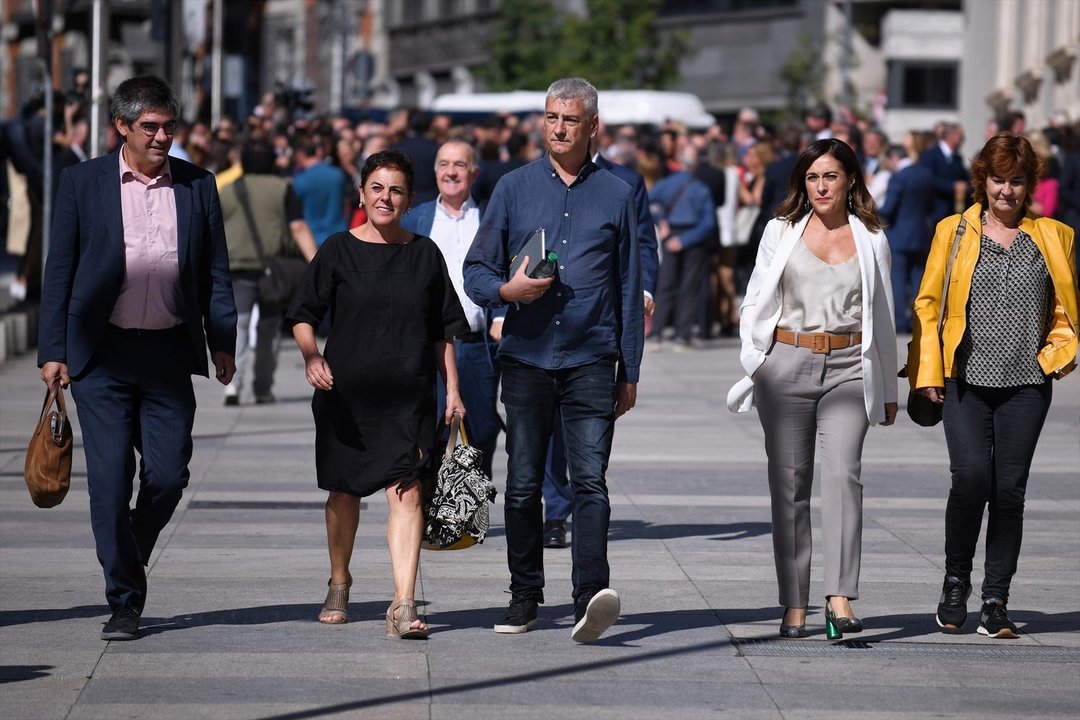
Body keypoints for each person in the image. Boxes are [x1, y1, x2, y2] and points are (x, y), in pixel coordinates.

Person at [37, 75, 238, 641]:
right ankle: (124, 599)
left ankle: (127, 546)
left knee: (169, 476)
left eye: (168, 127)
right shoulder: (83, 182)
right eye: (149, 127)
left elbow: (215, 270)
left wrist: (222, 339)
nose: (161, 137)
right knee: (107, 479)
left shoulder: (198, 184)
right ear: (121, 127)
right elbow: (61, 269)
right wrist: (53, 350)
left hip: (168, 353)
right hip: (101, 356)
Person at [464, 77, 643, 643]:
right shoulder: (513, 188)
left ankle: (591, 596)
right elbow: (476, 270)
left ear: (593, 127)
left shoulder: (618, 193)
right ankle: (524, 596)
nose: (558, 128)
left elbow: (629, 284)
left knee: (590, 481)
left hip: (592, 358)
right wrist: (506, 293)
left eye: (570, 119)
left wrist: (630, 370)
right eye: (550, 118)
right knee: (520, 485)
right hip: (526, 358)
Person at [286, 149, 469, 639]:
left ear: (409, 200)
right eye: (377, 188)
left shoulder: (424, 254)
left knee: (407, 494)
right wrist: (311, 356)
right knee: (344, 493)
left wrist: (452, 388)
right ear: (362, 193)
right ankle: (340, 581)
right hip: (346, 396)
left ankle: (404, 603)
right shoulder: (337, 250)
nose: (385, 198)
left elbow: (441, 331)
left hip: (408, 396)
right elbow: (303, 313)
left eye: (396, 191)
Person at [906, 133, 1077, 639]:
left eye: (1016, 181)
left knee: (1009, 492)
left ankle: (996, 600)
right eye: (998, 179)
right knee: (971, 480)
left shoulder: (1055, 235)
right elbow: (928, 304)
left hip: (1027, 383)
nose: (1006, 191)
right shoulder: (953, 231)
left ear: (1030, 185)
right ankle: (956, 580)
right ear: (983, 180)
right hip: (965, 380)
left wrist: (1054, 358)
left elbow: (1068, 309)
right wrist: (928, 372)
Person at [727, 138, 898, 640]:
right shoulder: (780, 231)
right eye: (812, 178)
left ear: (850, 181)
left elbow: (883, 318)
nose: (821, 187)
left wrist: (887, 386)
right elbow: (754, 297)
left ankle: (840, 596)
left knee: (844, 475)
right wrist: (757, 362)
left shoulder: (872, 238)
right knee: (790, 485)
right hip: (787, 363)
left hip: (849, 364)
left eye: (831, 176)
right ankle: (794, 601)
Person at [401, 140, 502, 479]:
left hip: (478, 347)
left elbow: (508, 268)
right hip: (431, 347)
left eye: (459, 165)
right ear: (435, 172)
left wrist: (501, 315)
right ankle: (432, 509)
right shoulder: (416, 219)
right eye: (444, 164)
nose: (451, 172)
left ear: (473, 172)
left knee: (483, 430)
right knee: (433, 429)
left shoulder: (490, 217)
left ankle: (471, 504)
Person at [219, 139, 318, 406]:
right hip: (273, 269)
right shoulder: (283, 189)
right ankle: (262, 387)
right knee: (269, 328)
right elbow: (297, 227)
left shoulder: (226, 190)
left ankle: (231, 384)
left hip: (237, 266)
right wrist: (317, 263)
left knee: (238, 325)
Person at [647, 145, 717, 349]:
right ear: (695, 165)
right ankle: (682, 334)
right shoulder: (701, 189)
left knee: (665, 286)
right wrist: (685, 240)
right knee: (689, 287)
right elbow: (708, 222)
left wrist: (661, 221)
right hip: (693, 238)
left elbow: (644, 203)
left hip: (671, 234)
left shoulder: (666, 184)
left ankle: (657, 332)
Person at [878, 143, 935, 333]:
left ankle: (901, 321)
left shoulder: (898, 177)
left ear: (895, 158)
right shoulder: (925, 174)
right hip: (920, 234)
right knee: (918, 279)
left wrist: (874, 210)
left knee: (898, 280)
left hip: (899, 235)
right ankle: (918, 319)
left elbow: (888, 208)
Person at [291, 133, 350, 247]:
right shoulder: (337, 174)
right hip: (339, 237)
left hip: (313, 240)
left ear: (300, 154)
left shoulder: (299, 181)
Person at [920, 122, 971, 227]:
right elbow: (928, 179)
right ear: (951, 136)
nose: (962, 139)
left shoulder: (957, 158)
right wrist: (952, 186)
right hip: (935, 212)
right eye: (960, 135)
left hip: (953, 211)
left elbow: (965, 178)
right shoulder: (930, 155)